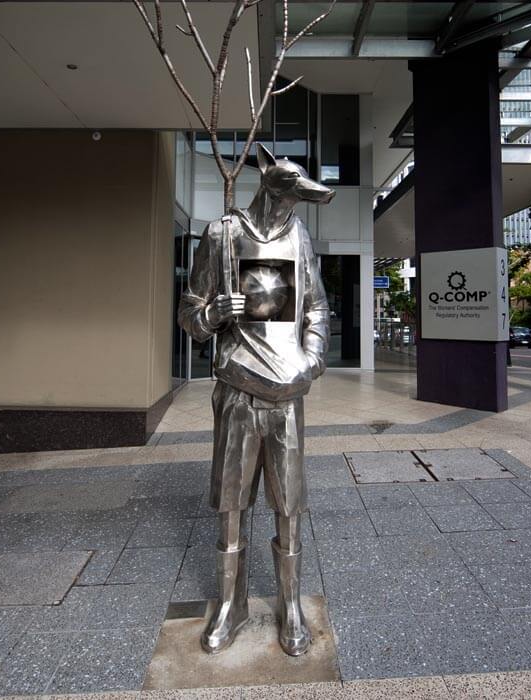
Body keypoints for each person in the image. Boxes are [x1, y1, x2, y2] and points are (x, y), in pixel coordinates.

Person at [178, 144, 333, 657]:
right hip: (238, 393)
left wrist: (312, 360)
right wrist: (213, 313)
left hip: (288, 395)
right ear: (269, 180)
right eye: (293, 185)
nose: (302, 195)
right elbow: (189, 315)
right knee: (230, 502)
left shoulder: (299, 236)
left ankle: (290, 604)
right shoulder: (223, 233)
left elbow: (315, 309)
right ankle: (231, 603)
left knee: (289, 504)